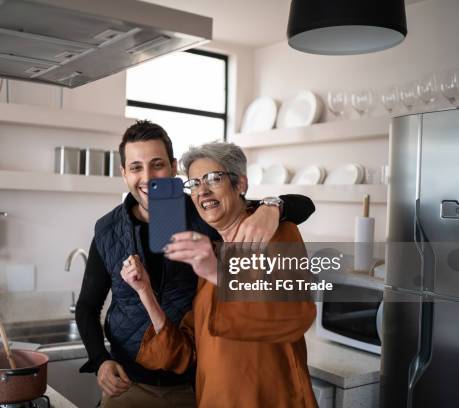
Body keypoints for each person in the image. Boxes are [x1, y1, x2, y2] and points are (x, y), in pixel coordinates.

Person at [75, 121, 315, 408]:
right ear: (124, 173)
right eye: (136, 167)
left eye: (157, 164)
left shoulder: (207, 215)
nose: (149, 177)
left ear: (173, 167)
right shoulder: (108, 230)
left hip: (194, 386)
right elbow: (88, 306)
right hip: (133, 380)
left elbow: (281, 208)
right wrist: (100, 360)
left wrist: (274, 206)